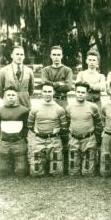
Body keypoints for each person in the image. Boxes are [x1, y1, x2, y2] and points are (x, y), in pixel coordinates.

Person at [41, 45, 73, 174]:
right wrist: (60, 84)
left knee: (64, 129)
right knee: (49, 126)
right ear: (50, 56)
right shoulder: (46, 70)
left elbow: (69, 86)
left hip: (63, 100)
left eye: (58, 55)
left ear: (62, 56)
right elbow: (45, 84)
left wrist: (53, 84)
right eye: (54, 55)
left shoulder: (67, 70)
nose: (56, 58)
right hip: (50, 99)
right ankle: (47, 158)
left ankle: (64, 160)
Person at [27, 82, 68, 176]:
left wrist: (55, 132)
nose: (47, 94)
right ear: (41, 93)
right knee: (36, 172)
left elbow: (64, 127)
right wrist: (39, 132)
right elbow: (29, 125)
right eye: (45, 91)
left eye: (50, 91)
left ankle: (54, 164)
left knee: (56, 172)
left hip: (54, 140)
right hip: (38, 140)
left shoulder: (59, 109)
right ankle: (40, 163)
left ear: (54, 92)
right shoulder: (35, 109)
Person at [65, 82, 103, 176]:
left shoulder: (93, 107)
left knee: (88, 173)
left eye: (83, 92)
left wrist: (97, 139)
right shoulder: (69, 108)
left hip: (88, 139)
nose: (80, 94)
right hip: (74, 139)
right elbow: (67, 123)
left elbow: (98, 123)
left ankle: (89, 166)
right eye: (78, 92)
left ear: (86, 93)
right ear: (75, 92)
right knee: (73, 172)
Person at [0, 86, 30, 176]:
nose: (11, 97)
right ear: (4, 97)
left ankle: (20, 162)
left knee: (21, 171)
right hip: (5, 142)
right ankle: (8, 163)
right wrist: (3, 139)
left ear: (17, 97)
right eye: (8, 95)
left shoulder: (24, 110)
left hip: (18, 141)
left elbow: (26, 126)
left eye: (13, 95)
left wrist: (22, 137)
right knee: (3, 172)